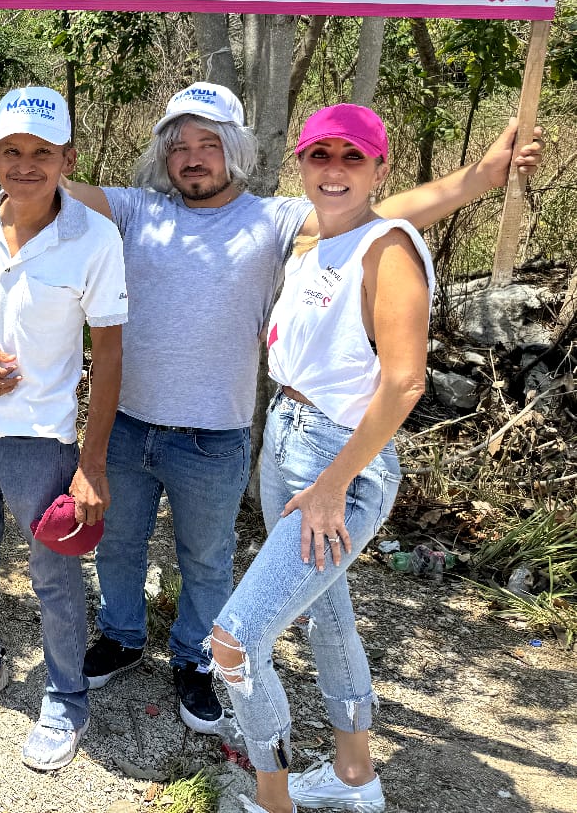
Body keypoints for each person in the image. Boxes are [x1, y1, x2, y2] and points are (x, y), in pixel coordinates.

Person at [0, 84, 543, 735]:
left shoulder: (275, 220)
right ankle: (121, 634)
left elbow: (383, 210)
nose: (193, 157)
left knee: (207, 557)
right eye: (180, 146)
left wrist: (481, 177)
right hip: (125, 427)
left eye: (209, 144)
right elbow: (50, 178)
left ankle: (195, 656)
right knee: (117, 542)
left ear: (233, 150)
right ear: (165, 156)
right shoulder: (135, 208)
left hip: (214, 437)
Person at [211, 105, 431, 813]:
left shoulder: (387, 247)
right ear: (301, 163)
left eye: (353, 157)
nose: (334, 170)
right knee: (327, 614)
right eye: (320, 155)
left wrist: (335, 485)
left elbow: (404, 380)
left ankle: (272, 802)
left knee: (235, 641)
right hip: (288, 438)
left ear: (378, 168)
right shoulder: (317, 243)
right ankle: (354, 773)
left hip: (340, 461)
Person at [0, 86, 128, 772]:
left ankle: (66, 698)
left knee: (53, 573)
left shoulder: (94, 239)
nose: (25, 164)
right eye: (11, 150)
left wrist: (90, 465)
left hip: (39, 438)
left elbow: (111, 353)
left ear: (68, 157)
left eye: (42, 152)